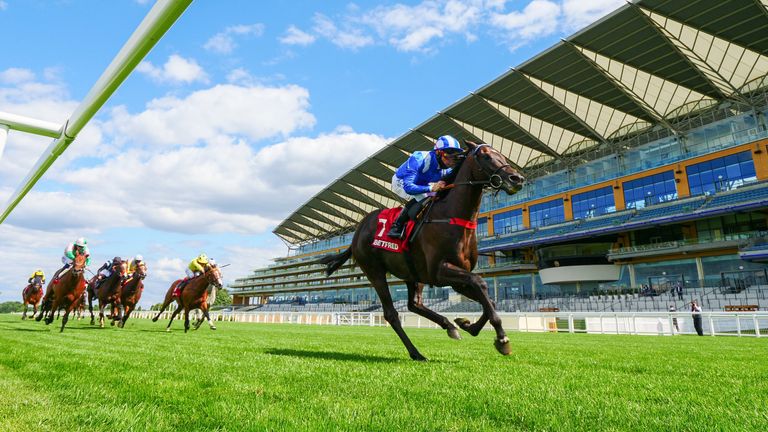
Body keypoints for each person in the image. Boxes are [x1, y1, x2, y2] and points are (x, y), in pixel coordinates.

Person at [386, 135, 464, 239]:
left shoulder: (446, 168)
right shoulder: (419, 159)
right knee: (424, 196)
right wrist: (431, 188)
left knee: (439, 195)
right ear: (438, 152)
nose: (451, 161)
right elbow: (408, 188)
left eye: (454, 157)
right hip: (402, 182)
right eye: (448, 156)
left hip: (421, 183)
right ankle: (396, 226)